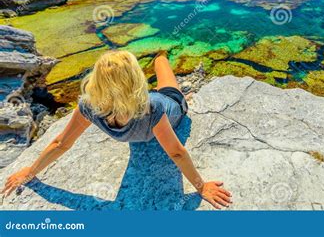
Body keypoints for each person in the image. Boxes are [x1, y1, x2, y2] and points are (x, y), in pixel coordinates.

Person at [1, 51, 232, 209]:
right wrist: (30, 173)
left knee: (165, 74)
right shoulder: (88, 106)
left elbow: (178, 152)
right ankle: (159, 57)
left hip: (173, 105)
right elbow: (60, 143)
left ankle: (160, 55)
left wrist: (202, 187)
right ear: (136, 81)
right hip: (145, 100)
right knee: (162, 77)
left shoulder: (149, 108)